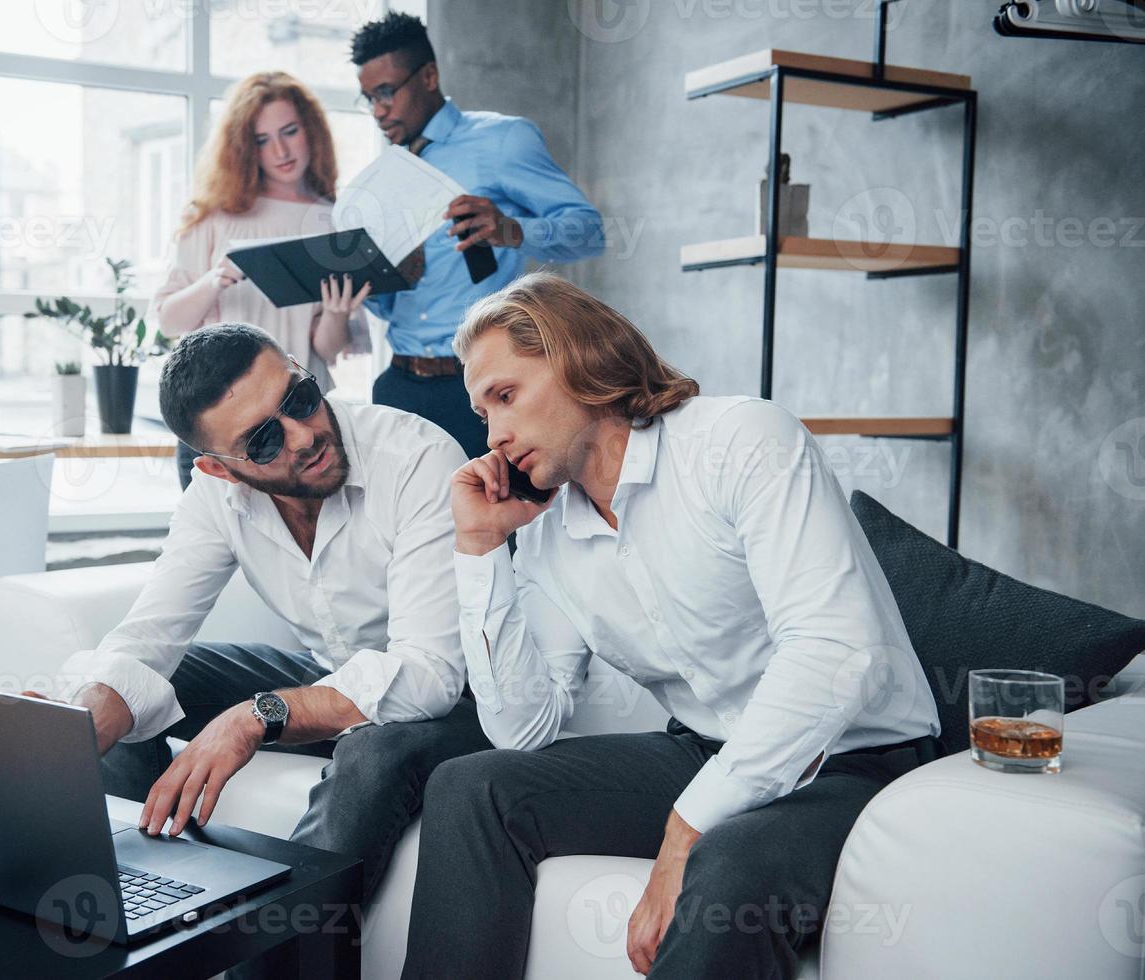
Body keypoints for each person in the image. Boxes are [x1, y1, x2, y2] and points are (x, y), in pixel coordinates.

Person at [400, 273, 944, 979]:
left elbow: (836, 651)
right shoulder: (544, 535)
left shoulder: (741, 439)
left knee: (729, 864)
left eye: (506, 396)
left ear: (579, 361)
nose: (494, 436)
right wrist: (479, 551)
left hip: (857, 760)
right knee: (471, 786)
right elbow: (523, 728)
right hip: (705, 748)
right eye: (482, 414)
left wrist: (685, 830)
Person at [56, 323, 489, 910]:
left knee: (374, 751)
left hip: (470, 701)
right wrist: (72, 735)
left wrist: (255, 718)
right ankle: (136, 911)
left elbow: (429, 673)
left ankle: (272, 955)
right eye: (263, 442)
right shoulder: (215, 497)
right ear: (220, 469)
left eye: (301, 399)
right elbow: (149, 636)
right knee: (130, 688)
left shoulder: (415, 457)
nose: (305, 436)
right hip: (337, 677)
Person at [348, 13, 605, 461]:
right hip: (399, 384)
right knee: (399, 528)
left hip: (482, 389)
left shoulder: (502, 140)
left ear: (429, 76)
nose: (378, 110)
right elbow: (387, 307)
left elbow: (589, 233)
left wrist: (512, 229)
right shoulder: (382, 178)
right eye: (368, 98)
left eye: (386, 92)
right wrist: (380, 280)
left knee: (502, 522)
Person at [152, 71, 370, 490]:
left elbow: (323, 350)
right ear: (243, 147)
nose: (282, 150)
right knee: (220, 549)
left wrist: (338, 312)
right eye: (263, 139)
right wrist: (215, 280)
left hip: (299, 422)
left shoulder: (332, 221)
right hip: (223, 424)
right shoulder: (216, 215)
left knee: (302, 546)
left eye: (290, 131)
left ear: (312, 132)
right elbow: (168, 321)